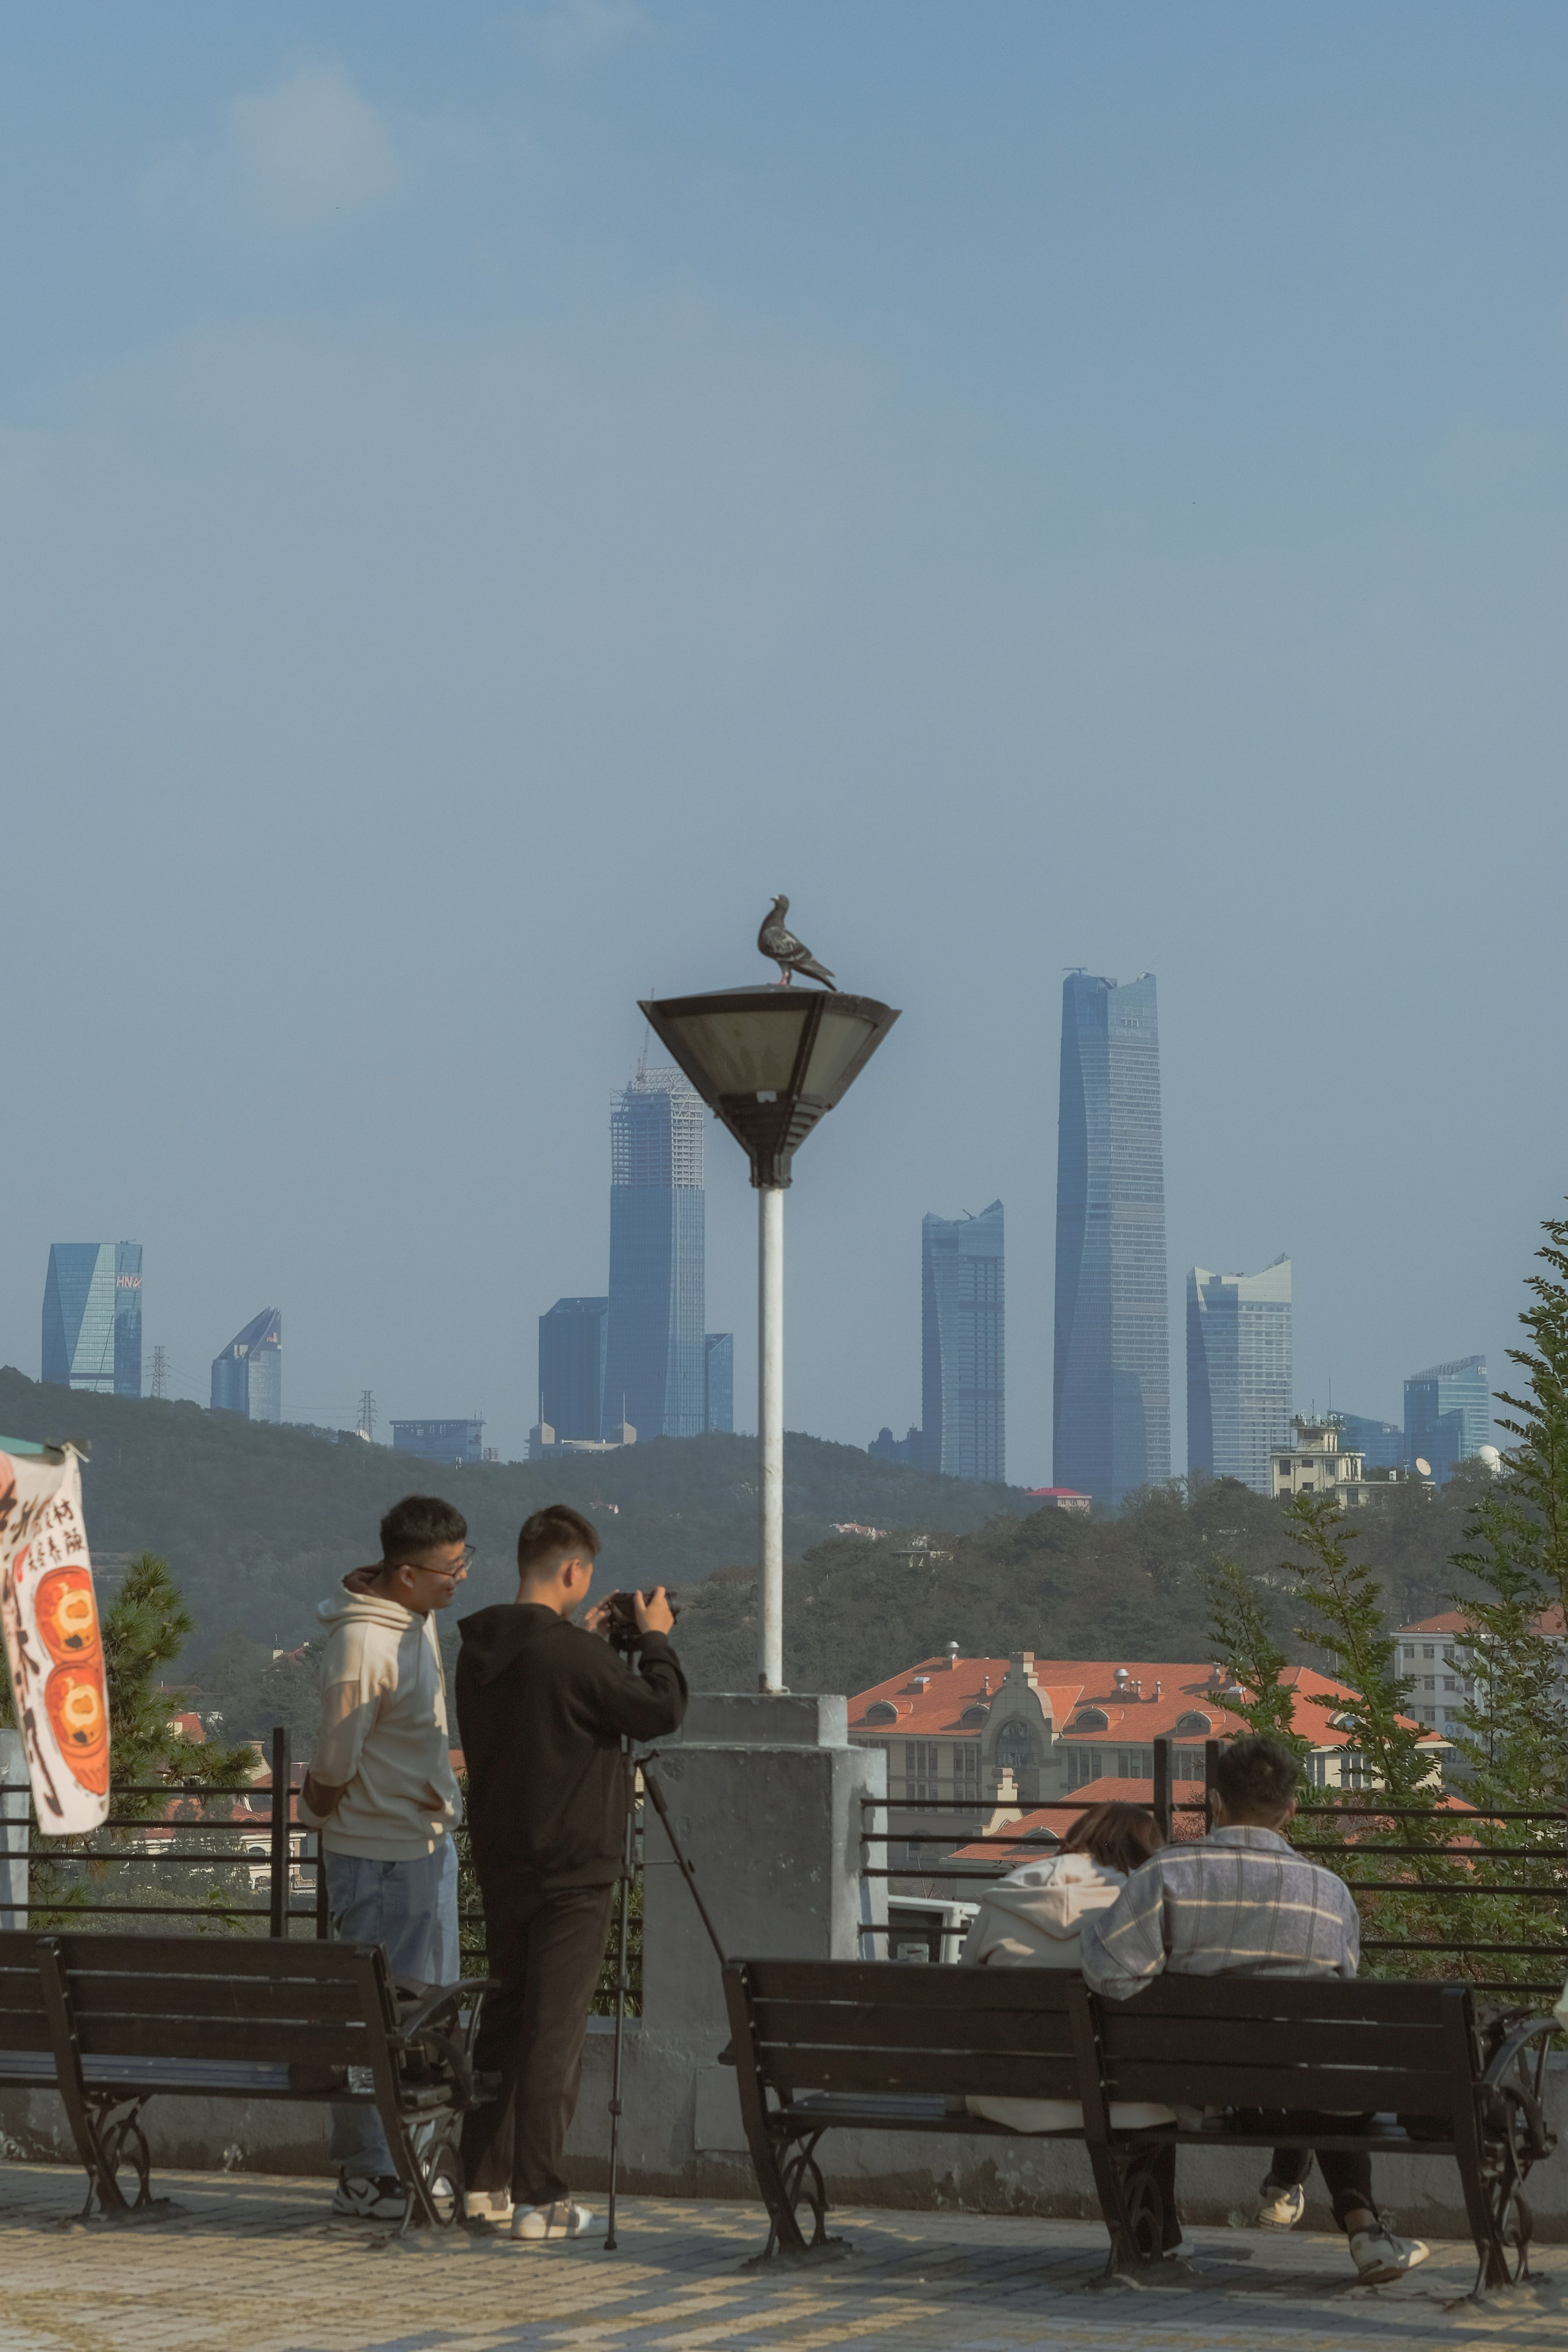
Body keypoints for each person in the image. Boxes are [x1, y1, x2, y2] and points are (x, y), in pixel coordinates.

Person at [1079, 1732, 1430, 2286]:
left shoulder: (1166, 1875)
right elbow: (1340, 1996)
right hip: (1301, 2095)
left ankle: (1158, 2233)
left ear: (1215, 1803)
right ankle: (1363, 2227)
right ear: (1291, 1811)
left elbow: (1105, 1973)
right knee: (1322, 2066)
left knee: (1304, 2066)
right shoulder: (1330, 1893)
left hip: (1196, 2092)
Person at [456, 1503, 687, 2241]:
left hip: (501, 1861)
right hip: (573, 1869)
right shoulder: (573, 1658)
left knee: (505, 2022)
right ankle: (541, 2198)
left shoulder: (477, 1650)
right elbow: (660, 1709)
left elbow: (551, 1702)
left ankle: (481, 2183)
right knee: (555, 2032)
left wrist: (587, 1645)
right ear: (574, 1570)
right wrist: (654, 1640)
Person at [298, 1493, 469, 2222]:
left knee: (423, 2016)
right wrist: (325, 1811)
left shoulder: (413, 1621)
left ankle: (410, 2161)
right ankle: (374, 2170)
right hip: (381, 1854)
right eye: (447, 1568)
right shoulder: (366, 1644)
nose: (459, 1578)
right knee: (387, 2018)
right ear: (405, 1574)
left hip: (418, 1846)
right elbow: (334, 1761)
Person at [962, 1801, 1182, 2256]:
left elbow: (964, 2001)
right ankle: (1157, 2234)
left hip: (1010, 2092)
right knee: (1150, 2087)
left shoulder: (1003, 1896)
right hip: (1125, 2097)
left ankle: (1157, 2234)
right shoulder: (1142, 1905)